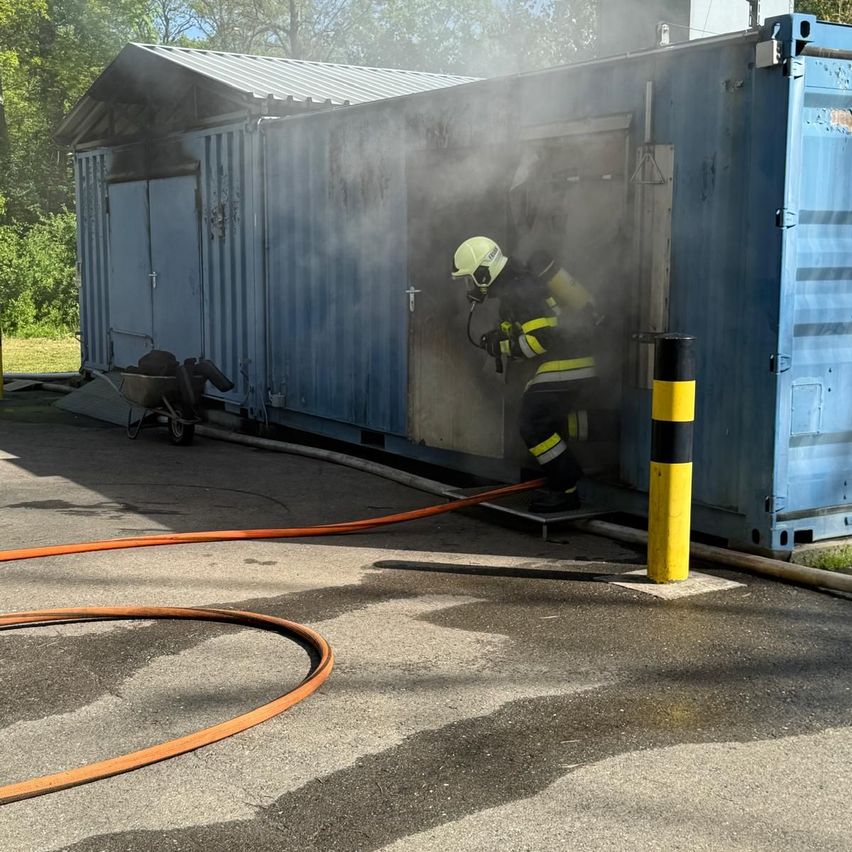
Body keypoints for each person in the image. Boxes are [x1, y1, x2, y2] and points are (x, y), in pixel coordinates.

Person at [451, 236, 600, 513]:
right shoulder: (516, 284)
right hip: (571, 358)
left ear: (484, 273)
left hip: (567, 361)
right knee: (545, 414)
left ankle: (566, 488)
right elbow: (531, 327)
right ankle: (605, 429)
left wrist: (502, 346)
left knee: (533, 424)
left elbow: (541, 340)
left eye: (470, 278)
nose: (469, 286)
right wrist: (501, 336)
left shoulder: (519, 291)